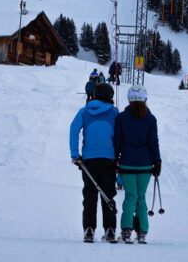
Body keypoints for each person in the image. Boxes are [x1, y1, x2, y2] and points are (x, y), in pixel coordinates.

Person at [69, 83, 119, 243]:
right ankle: (110, 229)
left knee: (90, 195)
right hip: (109, 159)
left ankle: (89, 229)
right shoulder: (114, 113)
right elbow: (120, 135)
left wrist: (75, 154)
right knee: (108, 193)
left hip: (89, 160)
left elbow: (73, 129)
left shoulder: (84, 111)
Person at [113, 85, 161, 244]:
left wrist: (115, 160)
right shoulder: (151, 119)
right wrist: (157, 161)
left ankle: (126, 230)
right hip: (145, 165)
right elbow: (153, 142)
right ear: (145, 99)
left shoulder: (121, 118)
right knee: (141, 197)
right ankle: (142, 231)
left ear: (129, 99)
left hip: (126, 163)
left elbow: (117, 141)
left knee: (130, 196)